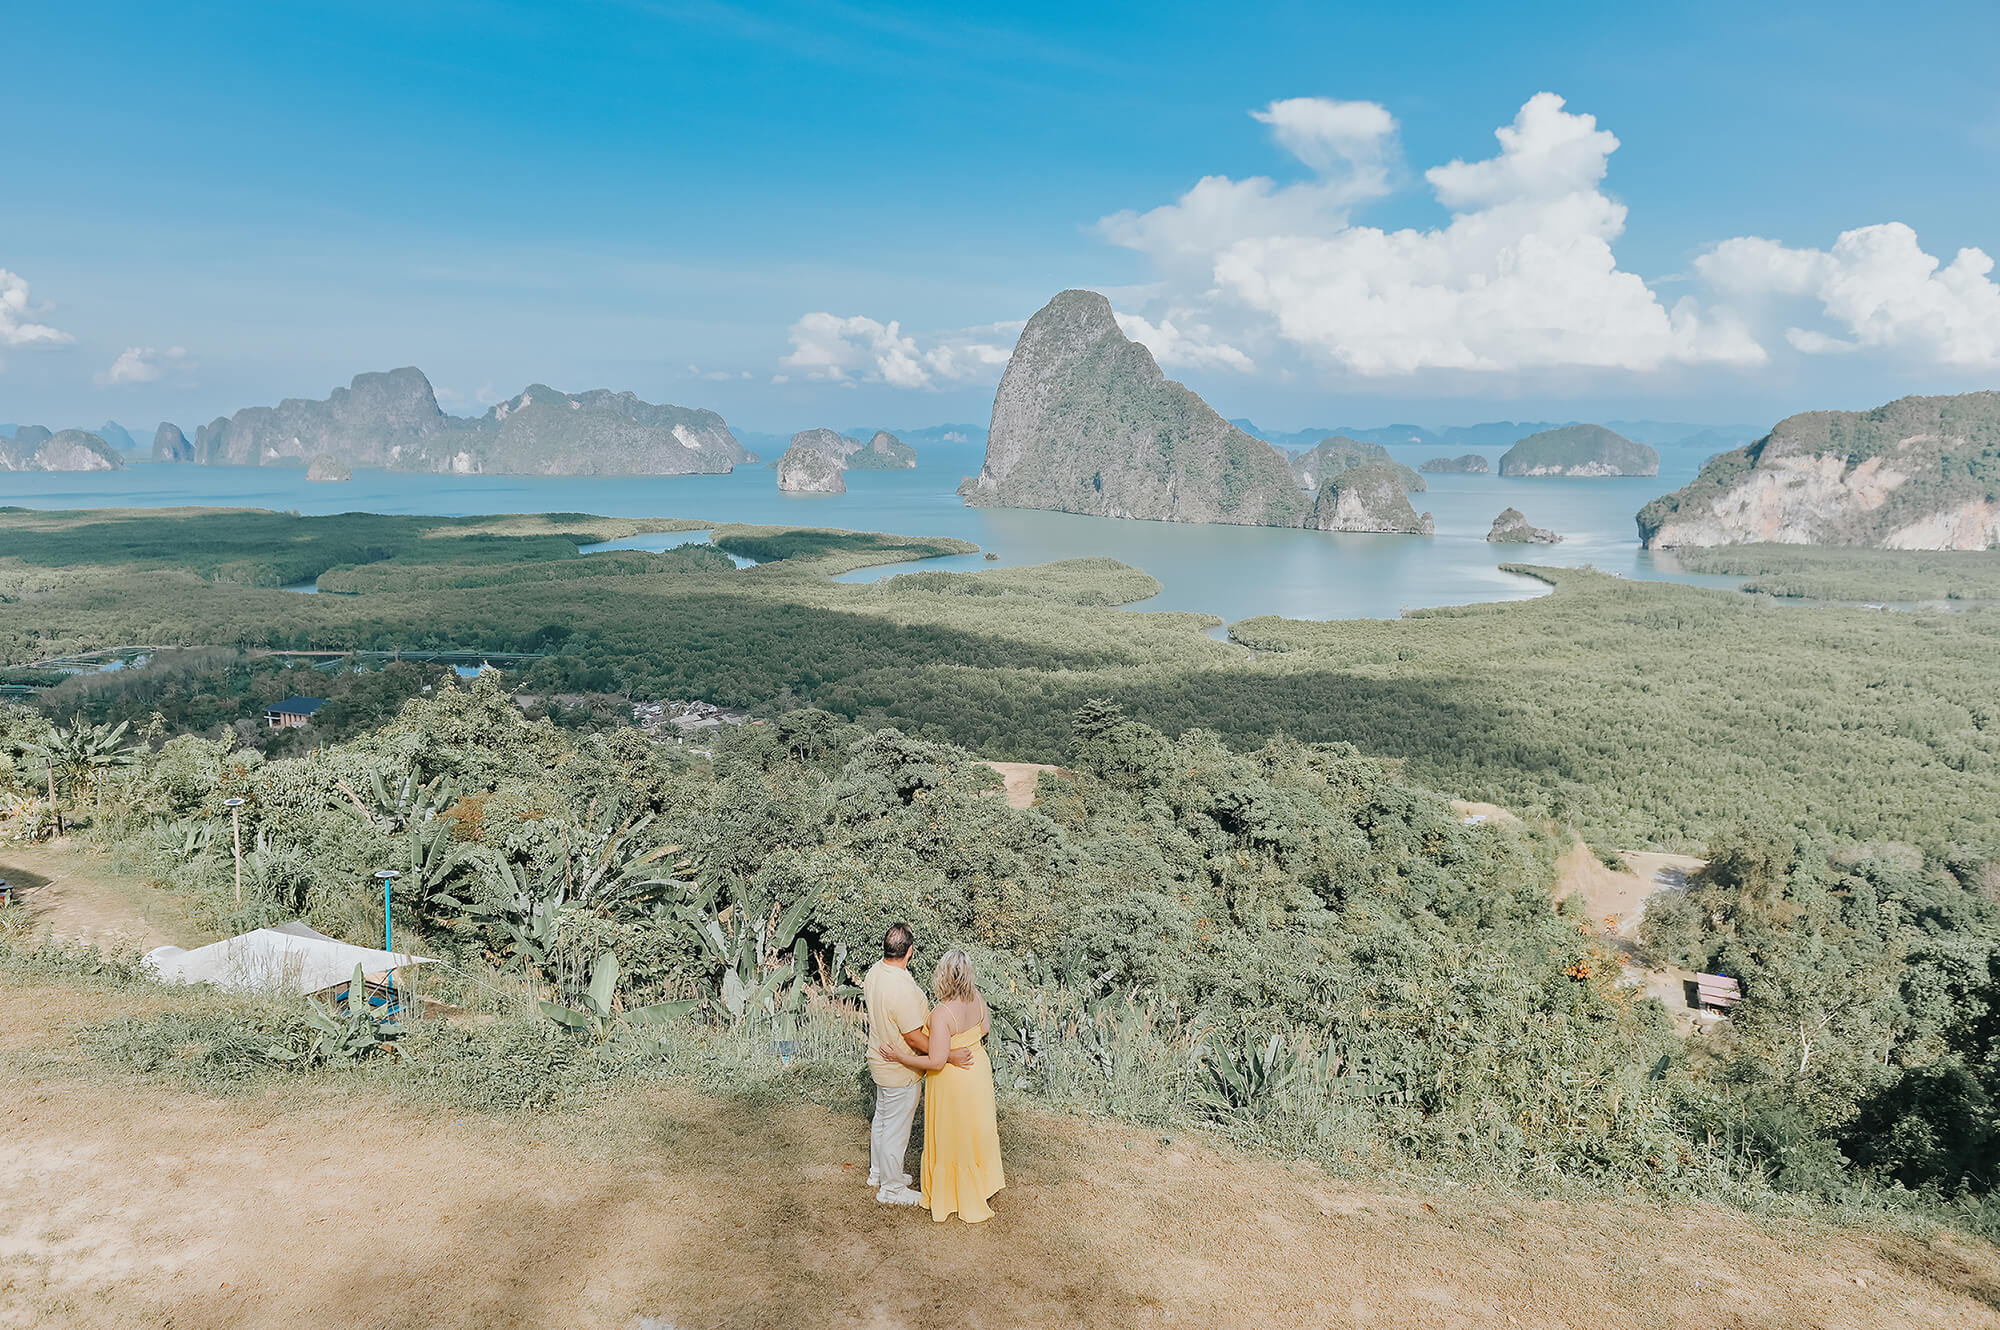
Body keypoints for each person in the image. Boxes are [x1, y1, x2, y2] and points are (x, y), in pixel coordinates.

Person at [877, 948, 1005, 1224]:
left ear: (943, 976)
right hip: (977, 1070)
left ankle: (953, 1192)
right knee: (975, 1128)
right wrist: (964, 1044)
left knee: (954, 1133)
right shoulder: (978, 999)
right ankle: (980, 1184)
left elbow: (935, 1062)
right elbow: (983, 1029)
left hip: (953, 1079)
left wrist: (900, 1056)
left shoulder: (942, 1014)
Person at [861, 923, 968, 1206]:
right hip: (900, 1070)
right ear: (910, 952)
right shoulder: (901, 989)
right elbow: (913, 1036)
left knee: (882, 1120)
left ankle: (879, 1174)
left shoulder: (874, 972)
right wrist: (944, 1054)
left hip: (879, 1060)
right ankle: (892, 1189)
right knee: (895, 1130)